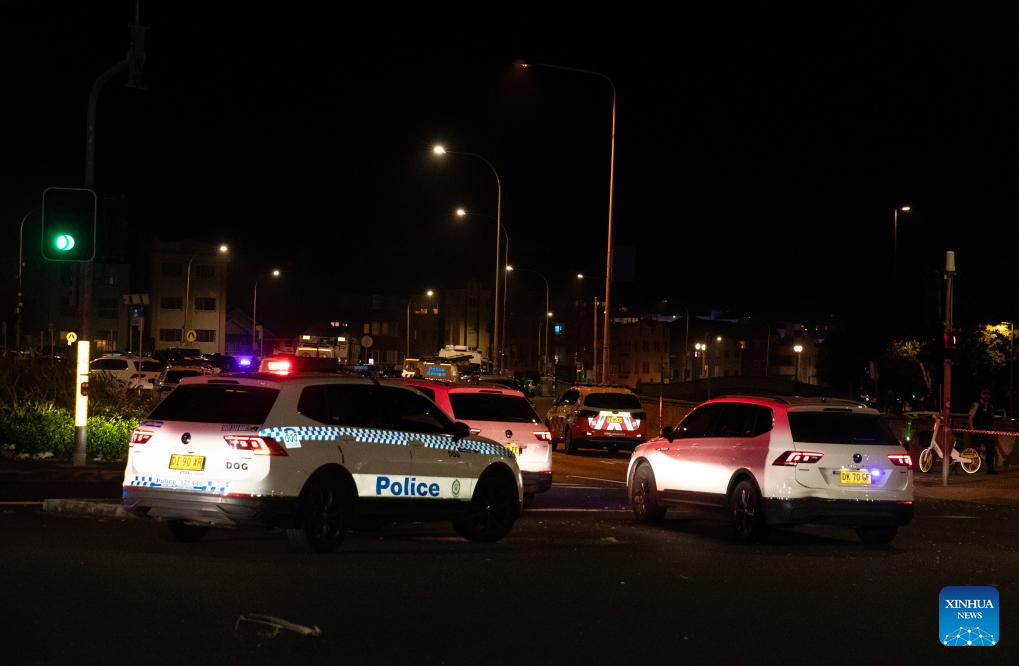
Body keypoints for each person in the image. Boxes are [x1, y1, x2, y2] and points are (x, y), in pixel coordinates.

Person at [968, 388, 997, 474]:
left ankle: (990, 468)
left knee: (990, 448)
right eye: (984, 394)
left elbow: (992, 418)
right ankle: (973, 466)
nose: (986, 396)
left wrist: (993, 428)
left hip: (988, 430)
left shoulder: (990, 406)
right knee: (975, 448)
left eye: (988, 394)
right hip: (978, 430)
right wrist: (972, 428)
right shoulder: (976, 404)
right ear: (981, 395)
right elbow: (970, 417)